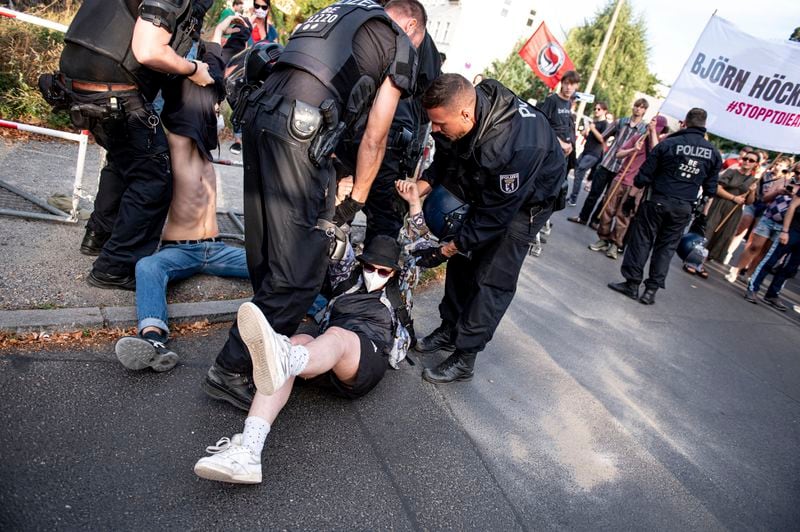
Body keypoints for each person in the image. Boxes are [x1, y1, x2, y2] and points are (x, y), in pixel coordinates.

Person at [203, 0, 428, 412]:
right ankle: (229, 369)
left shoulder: (342, 13)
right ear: (411, 24)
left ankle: (258, 350)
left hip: (259, 116)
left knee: (269, 255)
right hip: (299, 130)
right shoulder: (399, 42)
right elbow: (375, 137)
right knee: (301, 271)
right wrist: (357, 198)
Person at [193, 230, 414, 484]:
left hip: (365, 357)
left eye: (383, 271)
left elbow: (420, 244)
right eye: (369, 267)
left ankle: (284, 358)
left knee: (334, 337)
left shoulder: (402, 288)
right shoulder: (348, 277)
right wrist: (344, 201)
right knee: (295, 342)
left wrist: (414, 202)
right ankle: (249, 453)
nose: (374, 274)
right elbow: (336, 235)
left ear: (395, 272)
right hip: (322, 355)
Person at [113, 17, 250, 371]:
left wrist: (220, 37)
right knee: (147, 266)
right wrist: (200, 55)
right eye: (213, 106)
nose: (215, 109)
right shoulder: (175, 138)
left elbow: (213, 80)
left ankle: (324, 308)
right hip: (180, 251)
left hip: (217, 247)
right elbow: (183, 83)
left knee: (274, 264)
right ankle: (153, 338)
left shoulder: (206, 149)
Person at [48, 0, 215, 290]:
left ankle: (99, 235)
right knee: (153, 178)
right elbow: (148, 50)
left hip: (79, 83)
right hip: (114, 89)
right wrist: (192, 68)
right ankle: (115, 267)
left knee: (125, 160)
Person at [411, 74, 565, 384]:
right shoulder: (462, 107)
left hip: (526, 203)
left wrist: (444, 249)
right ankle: (450, 328)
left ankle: (465, 356)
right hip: (491, 185)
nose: (436, 130)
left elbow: (494, 218)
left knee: (491, 276)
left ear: (466, 115)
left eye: (441, 125)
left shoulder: (515, 146)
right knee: (463, 259)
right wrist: (418, 188)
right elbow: (445, 158)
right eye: (434, 124)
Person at [335, 29, 442, 246]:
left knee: (382, 224)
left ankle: (377, 271)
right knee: (341, 212)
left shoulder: (415, 37)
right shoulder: (379, 22)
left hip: (389, 143)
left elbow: (427, 99)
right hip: (364, 137)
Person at [608, 107, 721, 305]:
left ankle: (632, 284)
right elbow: (710, 190)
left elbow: (644, 175)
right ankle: (651, 290)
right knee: (666, 248)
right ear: (704, 126)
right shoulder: (713, 153)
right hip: (684, 207)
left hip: (657, 201)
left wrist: (630, 198)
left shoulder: (668, 144)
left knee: (642, 241)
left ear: (685, 122)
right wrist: (703, 215)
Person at [589, 115, 668, 260]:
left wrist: (652, 133)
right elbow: (619, 154)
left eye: (656, 127)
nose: (652, 129)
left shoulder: (662, 143)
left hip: (636, 185)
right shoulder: (637, 137)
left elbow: (657, 150)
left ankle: (615, 243)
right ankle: (603, 238)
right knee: (607, 210)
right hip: (620, 179)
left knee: (624, 215)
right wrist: (633, 150)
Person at [568, 98, 649, 227]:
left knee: (608, 197)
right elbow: (603, 137)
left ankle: (595, 221)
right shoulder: (621, 122)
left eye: (641, 107)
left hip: (623, 169)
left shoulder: (644, 130)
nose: (638, 109)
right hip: (608, 162)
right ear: (633, 107)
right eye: (636, 106)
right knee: (594, 193)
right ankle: (583, 217)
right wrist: (607, 151)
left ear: (645, 110)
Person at [532, 70, 580, 256]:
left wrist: (570, 146)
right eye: (566, 83)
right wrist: (560, 142)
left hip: (563, 157)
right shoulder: (552, 100)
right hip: (550, 154)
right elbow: (541, 123)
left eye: (572, 84)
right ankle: (532, 231)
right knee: (542, 193)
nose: (569, 87)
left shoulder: (568, 104)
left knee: (554, 194)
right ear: (562, 83)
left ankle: (538, 227)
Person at [725, 157, 794, 281]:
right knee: (754, 244)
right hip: (767, 215)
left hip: (784, 224)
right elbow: (765, 198)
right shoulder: (783, 181)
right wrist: (778, 192)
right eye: (797, 172)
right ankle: (736, 269)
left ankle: (749, 274)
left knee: (765, 250)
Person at [744, 185, 800, 310]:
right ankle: (753, 288)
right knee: (771, 260)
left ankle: (773, 294)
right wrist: (785, 231)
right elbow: (792, 207)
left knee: (790, 267)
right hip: (793, 230)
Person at [701, 158, 759, 265]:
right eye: (746, 158)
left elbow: (749, 202)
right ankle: (696, 258)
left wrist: (752, 191)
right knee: (709, 230)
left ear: (756, 164)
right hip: (719, 205)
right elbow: (718, 189)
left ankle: (704, 262)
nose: (747, 161)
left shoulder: (754, 181)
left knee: (722, 236)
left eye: (751, 160)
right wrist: (733, 198)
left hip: (734, 211)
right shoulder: (731, 172)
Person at [569, 101, 609, 206]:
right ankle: (572, 196)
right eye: (595, 109)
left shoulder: (605, 124)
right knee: (577, 171)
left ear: (604, 111)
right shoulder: (594, 123)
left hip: (593, 153)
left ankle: (573, 198)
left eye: (599, 109)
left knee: (579, 172)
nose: (596, 111)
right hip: (586, 151)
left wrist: (593, 129)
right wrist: (586, 132)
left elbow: (602, 138)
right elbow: (590, 137)